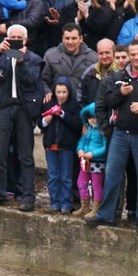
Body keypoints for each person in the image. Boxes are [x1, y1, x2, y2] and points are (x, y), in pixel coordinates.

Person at [85, 38, 138, 232]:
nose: (136, 58)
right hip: (120, 133)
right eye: (133, 55)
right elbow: (107, 102)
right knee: (112, 175)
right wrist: (120, 93)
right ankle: (106, 215)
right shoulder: (118, 76)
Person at [0, 23, 45, 211]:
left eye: (19, 38)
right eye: (12, 38)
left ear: (25, 40)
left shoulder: (34, 58)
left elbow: (32, 80)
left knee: (25, 155)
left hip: (24, 109)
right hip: (2, 107)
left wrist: (21, 62)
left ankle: (27, 196)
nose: (15, 41)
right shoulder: (0, 57)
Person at [40, 76, 82, 213]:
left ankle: (66, 203)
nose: (61, 95)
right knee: (53, 176)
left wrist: (63, 114)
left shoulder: (74, 106)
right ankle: (54, 202)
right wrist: (46, 120)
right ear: (54, 92)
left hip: (67, 147)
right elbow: (41, 125)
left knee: (66, 177)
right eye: (58, 92)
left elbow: (76, 125)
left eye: (64, 92)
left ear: (69, 92)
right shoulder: (48, 104)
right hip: (50, 146)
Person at [75, 101, 106, 217]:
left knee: (96, 185)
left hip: (97, 162)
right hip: (85, 160)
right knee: (81, 182)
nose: (93, 120)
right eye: (90, 118)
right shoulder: (88, 130)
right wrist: (80, 150)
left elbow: (105, 147)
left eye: (95, 117)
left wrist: (93, 154)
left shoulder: (103, 131)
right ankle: (85, 206)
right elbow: (82, 142)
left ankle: (96, 208)